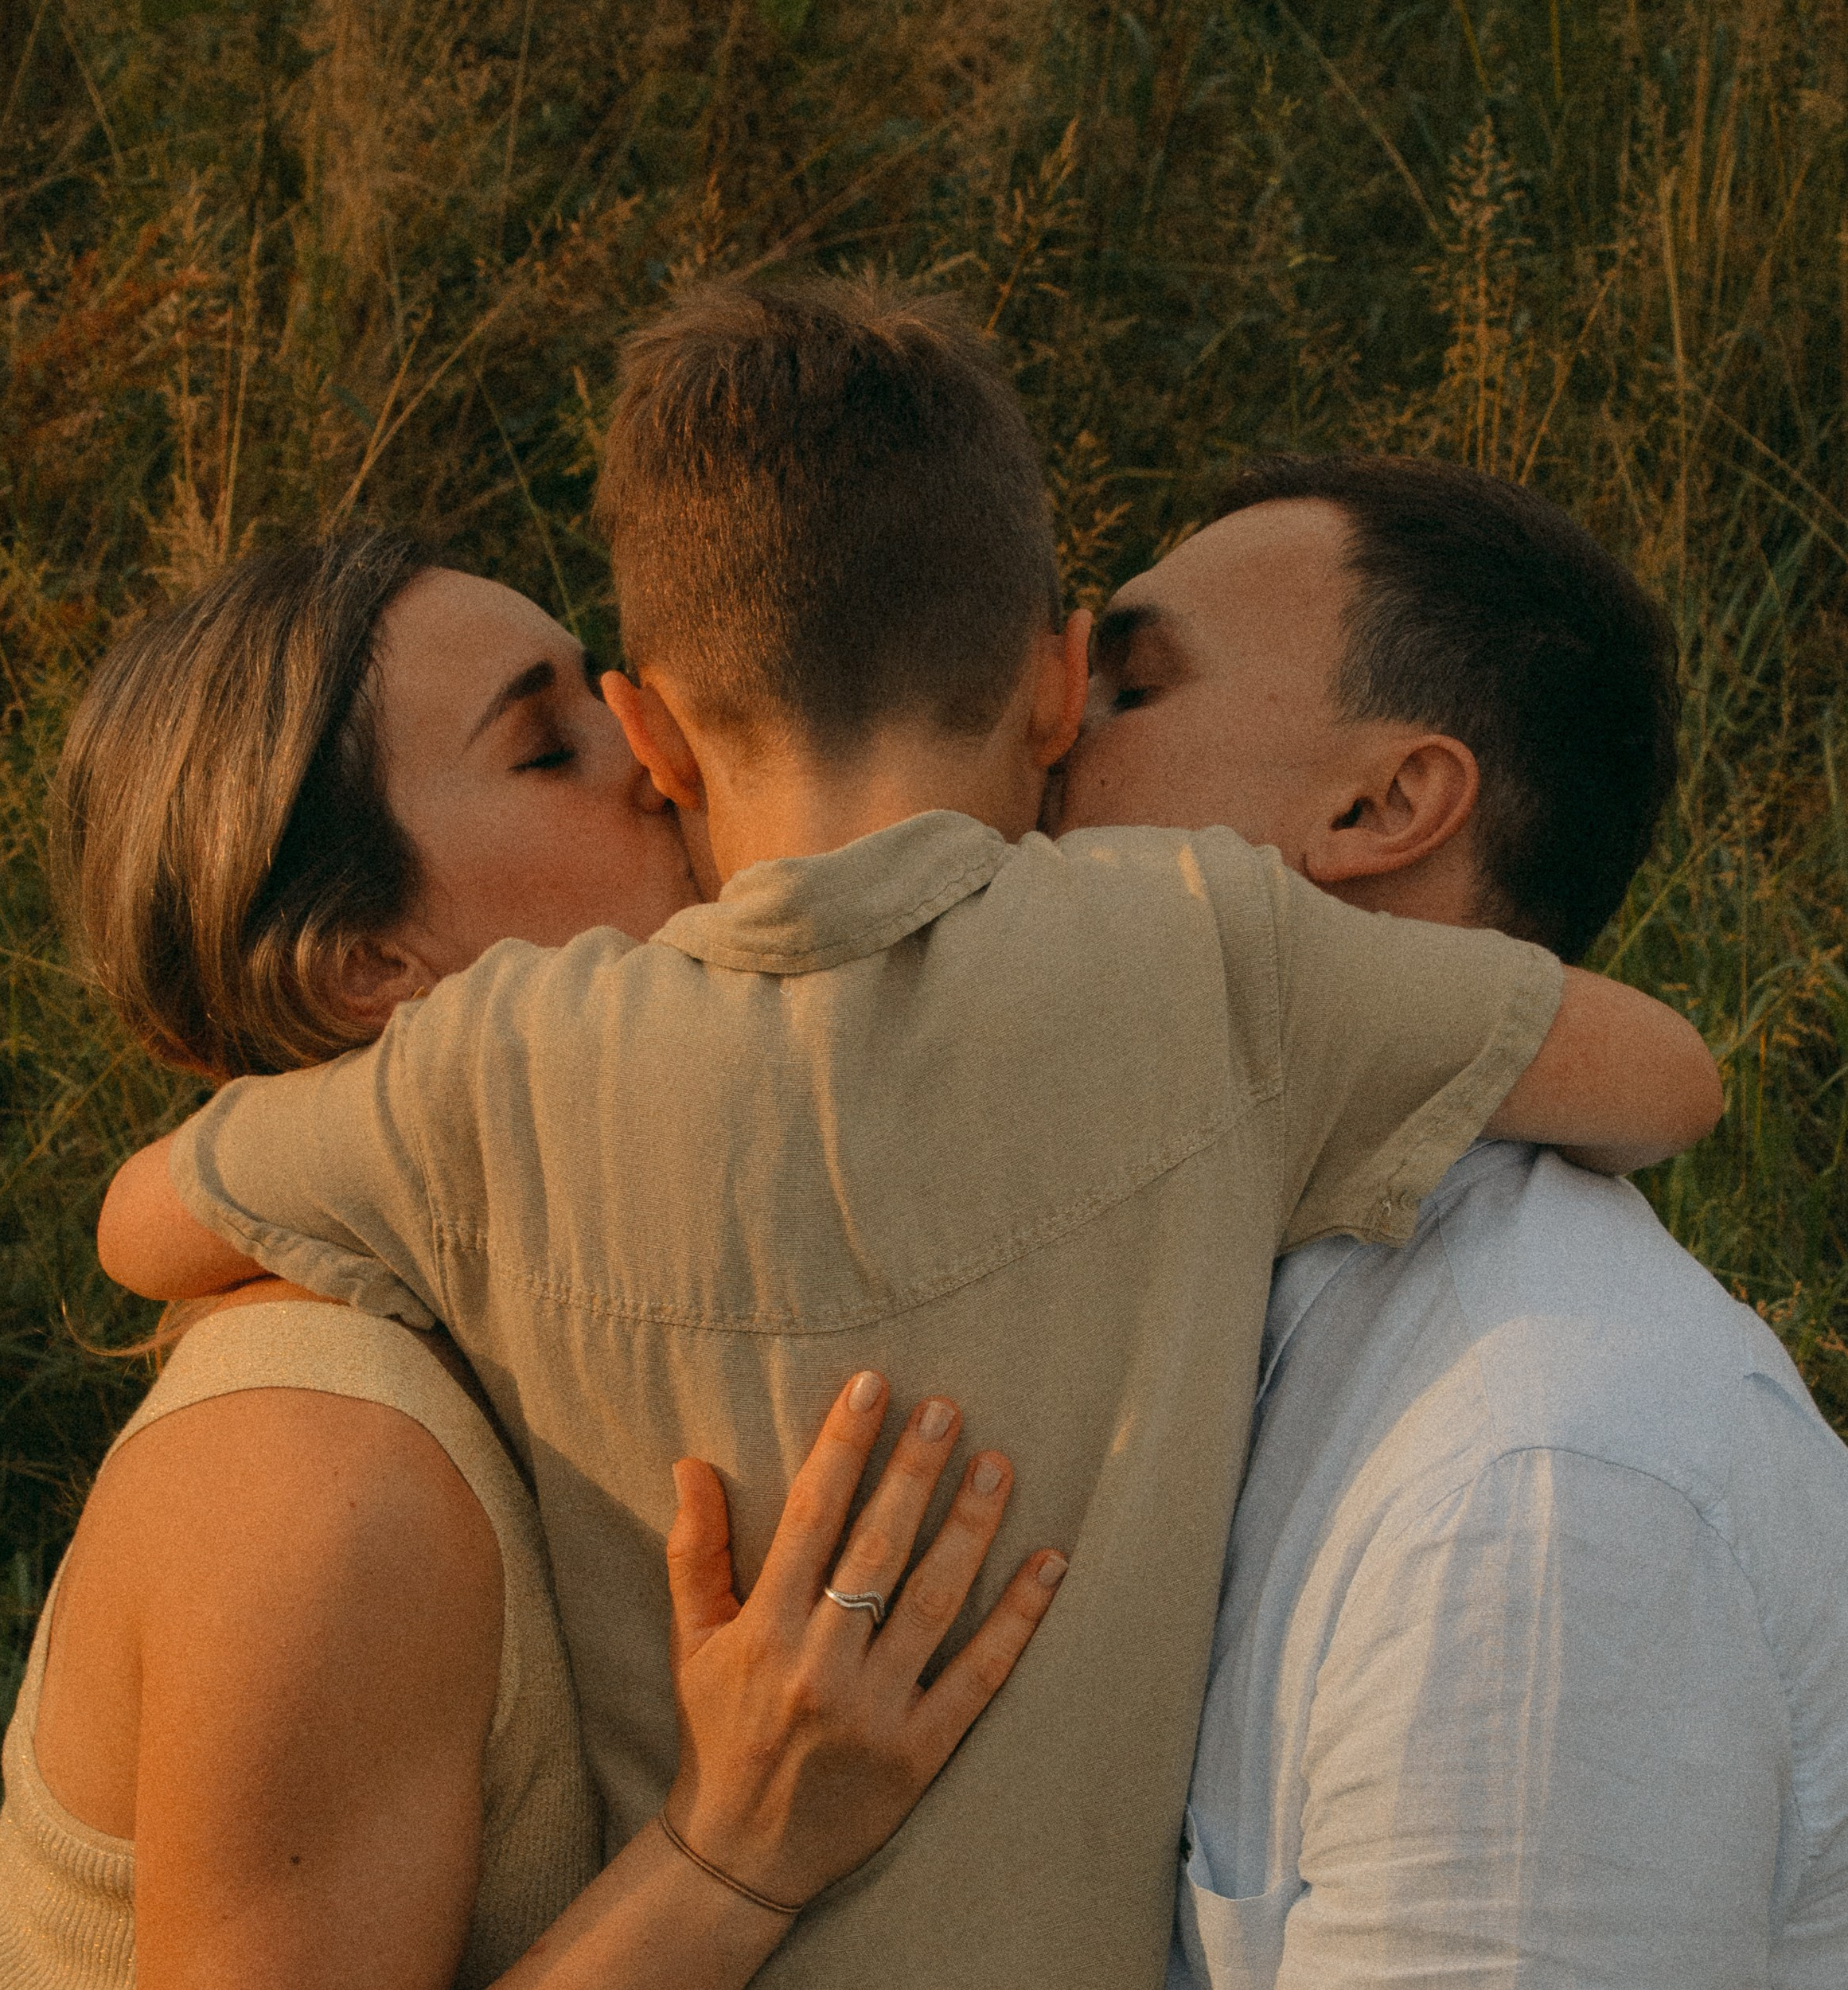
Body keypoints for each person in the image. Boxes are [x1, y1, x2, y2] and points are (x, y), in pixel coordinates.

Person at [95, 281, 1722, 1990]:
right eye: (540, 748)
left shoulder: (481, 1076)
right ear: (1051, 682)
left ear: (660, 729)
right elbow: (1666, 1079)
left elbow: (143, 1222)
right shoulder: (1211, 956)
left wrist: (363, 1115)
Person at [0, 535, 1066, 1990]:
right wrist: (737, 1851)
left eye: (613, 691)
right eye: (547, 748)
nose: (659, 750)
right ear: (370, 967)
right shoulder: (321, 1476)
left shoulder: (558, 1289)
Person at [1059, 453, 1848, 1988]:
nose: (1039, 728)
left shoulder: (1535, 1489)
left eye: (1130, 690)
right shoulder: (1228, 1296)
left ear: (1383, 805)